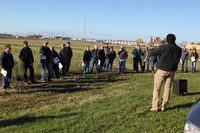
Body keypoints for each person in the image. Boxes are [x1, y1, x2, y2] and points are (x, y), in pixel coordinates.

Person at [148, 34, 182, 112]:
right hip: (172, 70)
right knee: (168, 88)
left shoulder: (164, 47)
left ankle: (155, 106)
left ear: (167, 40)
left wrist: (150, 51)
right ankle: (164, 105)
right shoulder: (179, 49)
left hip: (162, 70)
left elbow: (153, 53)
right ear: (174, 40)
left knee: (157, 88)